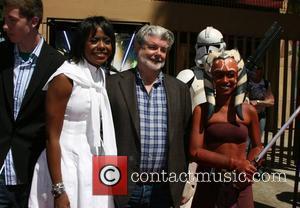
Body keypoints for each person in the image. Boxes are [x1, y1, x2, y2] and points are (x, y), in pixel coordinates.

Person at [28, 16, 117, 208]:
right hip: (65, 165)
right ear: (81, 44)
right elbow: (51, 137)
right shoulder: (65, 78)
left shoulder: (100, 75)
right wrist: (59, 190)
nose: (102, 46)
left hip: (94, 161)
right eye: (94, 40)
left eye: (107, 41)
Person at [107, 24, 192, 208]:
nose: (158, 53)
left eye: (163, 49)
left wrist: (184, 182)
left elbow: (185, 140)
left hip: (163, 189)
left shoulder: (180, 90)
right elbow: (100, 135)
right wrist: (103, 184)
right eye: (153, 47)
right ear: (138, 47)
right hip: (120, 186)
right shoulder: (112, 85)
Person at [0, 0, 65, 207]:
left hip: (34, 177)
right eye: (4, 19)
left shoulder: (57, 64)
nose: (4, 26)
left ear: (34, 21)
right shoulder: (0, 55)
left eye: (12, 20)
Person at [189, 49, 263, 208]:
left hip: (240, 184)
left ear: (238, 76)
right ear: (211, 78)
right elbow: (195, 151)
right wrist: (235, 163)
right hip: (209, 183)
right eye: (219, 75)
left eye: (230, 74)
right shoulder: (201, 111)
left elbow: (258, 146)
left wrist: (250, 166)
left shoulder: (249, 111)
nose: (225, 80)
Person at [176, 26, 226, 110]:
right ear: (197, 47)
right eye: (202, 47)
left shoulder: (227, 77)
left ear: (222, 48)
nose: (207, 52)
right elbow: (175, 106)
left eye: (214, 46)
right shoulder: (188, 76)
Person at [247, 64, 274, 137]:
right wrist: (264, 102)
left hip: (261, 115)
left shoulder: (266, 83)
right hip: (248, 114)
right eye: (256, 68)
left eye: (260, 68)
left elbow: (271, 102)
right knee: (247, 141)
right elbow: (245, 102)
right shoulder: (247, 83)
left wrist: (258, 102)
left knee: (257, 138)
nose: (259, 71)